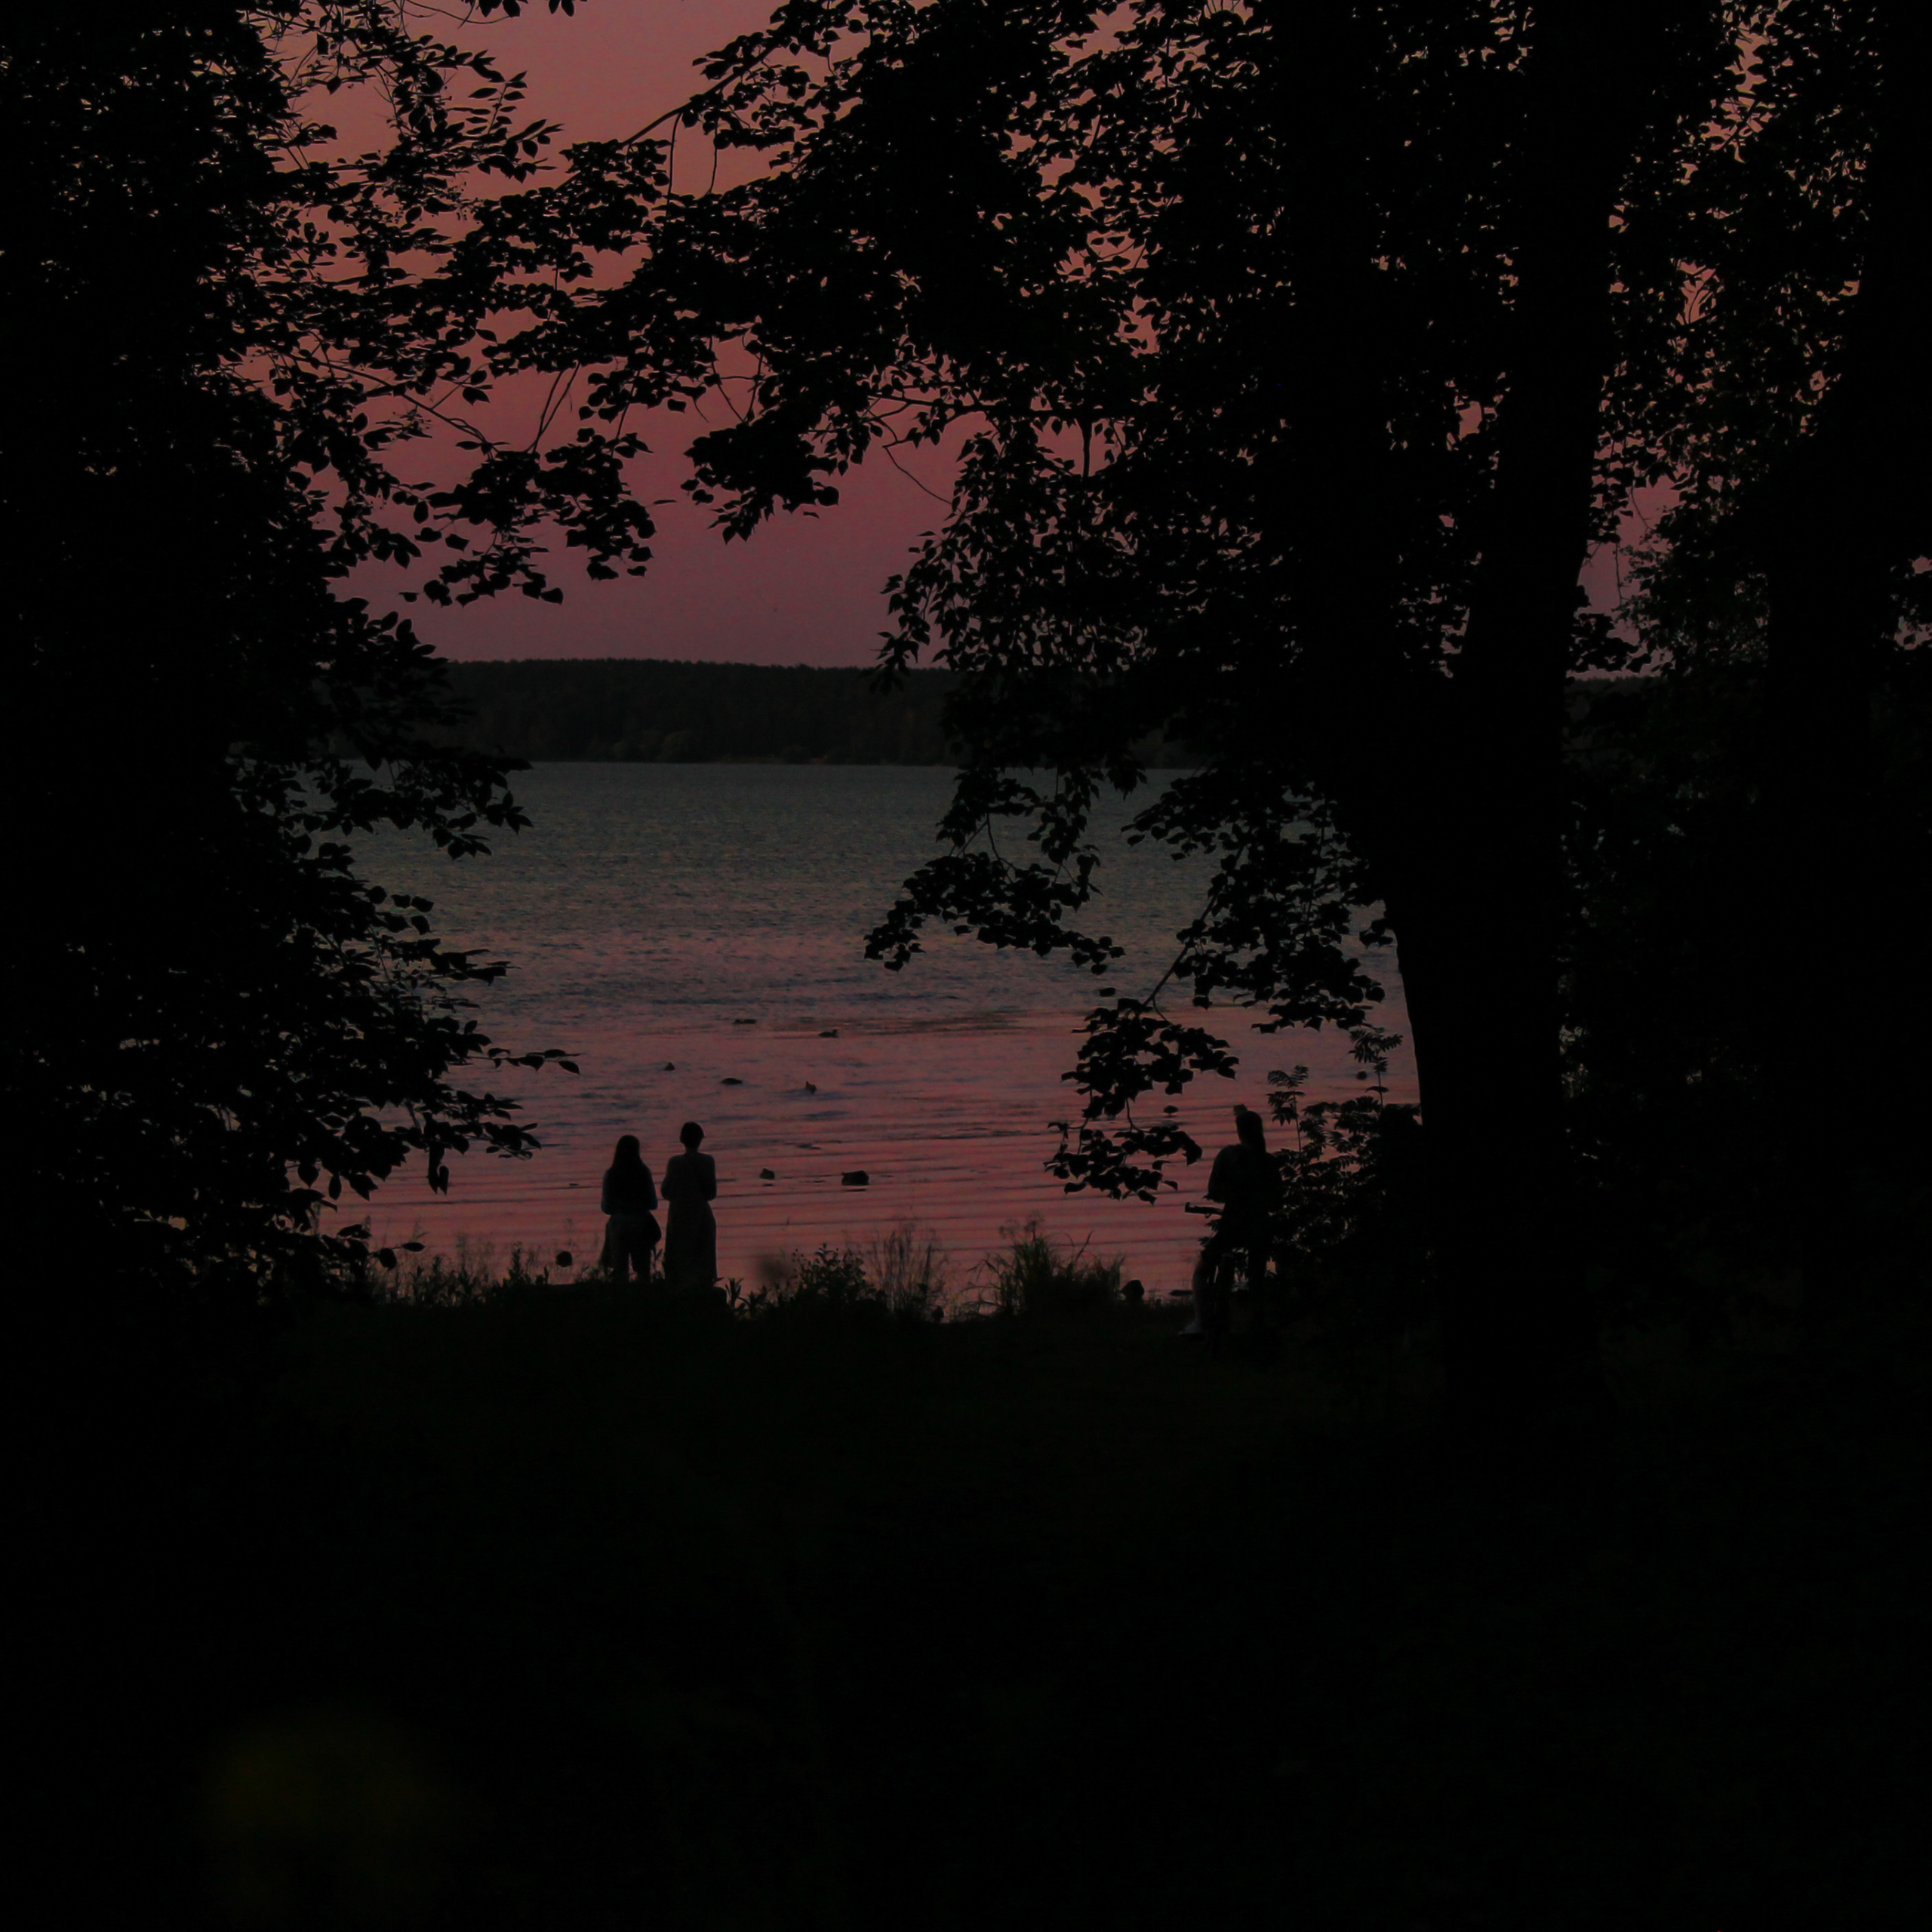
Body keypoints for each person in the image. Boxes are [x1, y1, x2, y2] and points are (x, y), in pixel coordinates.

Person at [1189, 1106, 1278, 1340]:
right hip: (1260, 1227)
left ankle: (1202, 1321)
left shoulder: (1228, 1156)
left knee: (1204, 1267)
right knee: (1257, 1275)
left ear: (1239, 1132)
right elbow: (1277, 1202)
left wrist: (1231, 1197)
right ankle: (1259, 1322)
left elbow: (1214, 1192)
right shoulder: (1269, 1162)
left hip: (1233, 1226)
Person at [661, 1120, 718, 1292]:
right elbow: (711, 1194)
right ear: (701, 1139)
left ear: (682, 1139)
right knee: (703, 1258)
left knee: (680, 1260)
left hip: (679, 1215)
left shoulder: (674, 1162)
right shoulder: (709, 1161)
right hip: (702, 1215)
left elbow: (665, 1192)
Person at [600, 1134, 660, 1286]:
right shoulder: (644, 1173)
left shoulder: (611, 1174)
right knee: (643, 1272)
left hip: (619, 1225)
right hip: (641, 1224)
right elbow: (653, 1204)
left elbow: (606, 1208)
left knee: (620, 1272)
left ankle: (622, 1301)